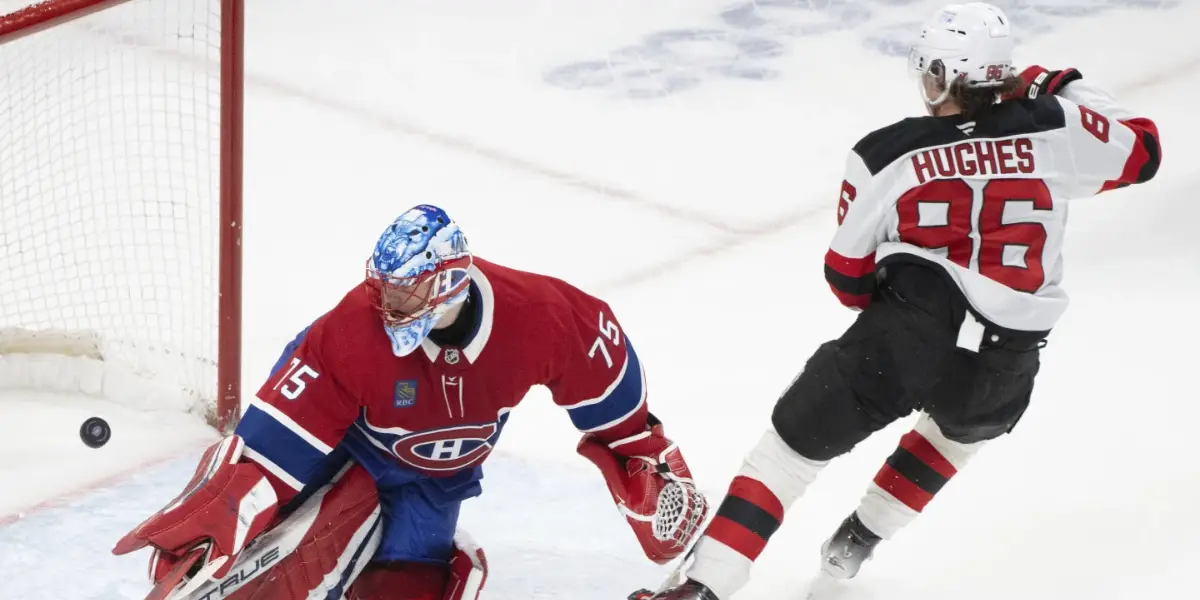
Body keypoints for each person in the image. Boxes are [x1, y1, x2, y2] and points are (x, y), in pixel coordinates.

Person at [639, 3, 1162, 599]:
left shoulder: (885, 154)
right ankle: (854, 546)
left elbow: (846, 279)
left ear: (941, 73)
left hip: (907, 332)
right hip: (1009, 357)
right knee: (957, 434)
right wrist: (1057, 83)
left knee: (784, 456)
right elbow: (1144, 149)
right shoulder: (1058, 126)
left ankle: (707, 585)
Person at [111, 204, 709, 600]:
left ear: (451, 281)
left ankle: (439, 559)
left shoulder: (539, 317)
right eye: (387, 285)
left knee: (402, 589)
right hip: (344, 444)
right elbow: (277, 442)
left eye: (410, 288)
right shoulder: (352, 332)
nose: (391, 302)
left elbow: (602, 371)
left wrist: (638, 448)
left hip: (436, 475)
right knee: (270, 554)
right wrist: (230, 502)